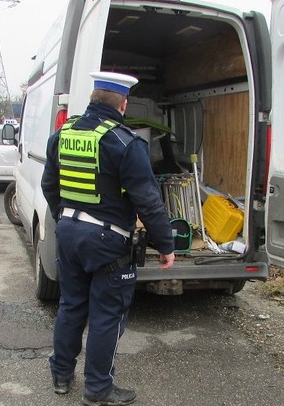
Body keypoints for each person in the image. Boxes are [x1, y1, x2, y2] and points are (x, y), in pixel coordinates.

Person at [41, 71, 176, 406]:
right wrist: (166, 245)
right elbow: (148, 200)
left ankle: (61, 375)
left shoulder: (62, 134)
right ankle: (98, 389)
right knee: (107, 315)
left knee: (71, 305)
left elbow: (49, 185)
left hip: (68, 233)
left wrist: (67, 217)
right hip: (107, 242)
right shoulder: (124, 143)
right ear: (123, 103)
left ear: (92, 99)